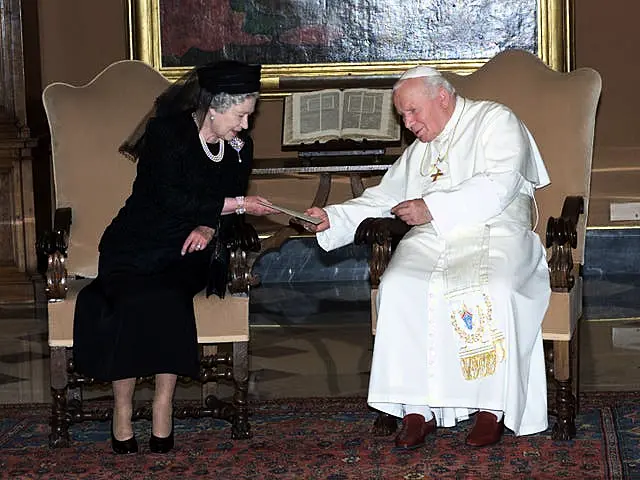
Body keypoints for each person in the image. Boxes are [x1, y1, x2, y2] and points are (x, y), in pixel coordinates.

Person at [304, 66, 551, 449]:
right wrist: (332, 217)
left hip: (498, 232)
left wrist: (431, 207)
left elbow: (499, 184)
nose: (408, 123)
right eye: (403, 115)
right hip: (434, 236)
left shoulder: (495, 120)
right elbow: (384, 198)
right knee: (399, 285)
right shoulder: (421, 150)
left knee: (494, 287)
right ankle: (416, 408)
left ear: (443, 97)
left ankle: (493, 408)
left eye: (413, 112)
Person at [72, 60, 276, 455]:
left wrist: (209, 226)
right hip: (135, 242)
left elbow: (217, 206)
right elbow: (169, 198)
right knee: (127, 300)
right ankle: (123, 407)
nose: (246, 126)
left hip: (189, 250)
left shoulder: (238, 147)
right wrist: (237, 204)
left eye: (250, 116)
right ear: (214, 107)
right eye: (241, 115)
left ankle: (163, 403)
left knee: (167, 297)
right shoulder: (166, 134)